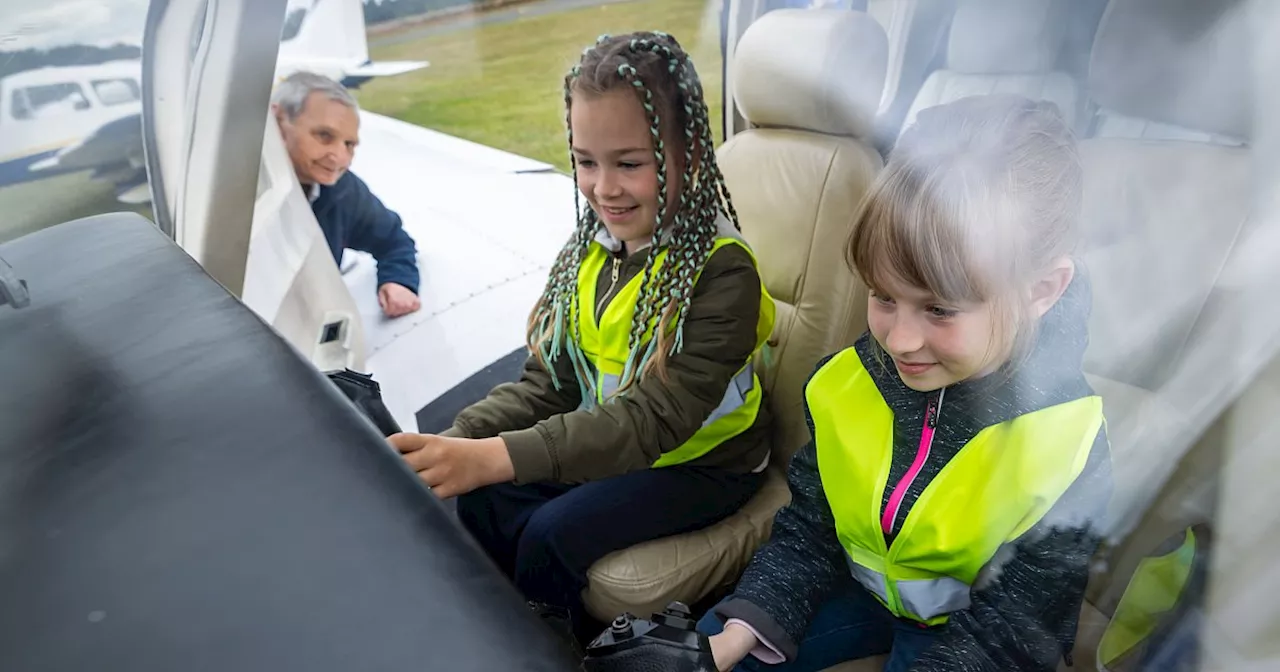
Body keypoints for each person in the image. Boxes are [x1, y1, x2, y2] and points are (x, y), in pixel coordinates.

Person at [696, 95, 1113, 672]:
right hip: (858, 595)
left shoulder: (1065, 445)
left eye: (940, 309)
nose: (899, 340)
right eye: (883, 297)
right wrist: (737, 632)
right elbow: (812, 531)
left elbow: (1016, 630)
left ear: (1041, 290)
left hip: (975, 635)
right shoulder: (846, 385)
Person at [389, 31, 775, 646]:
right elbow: (551, 383)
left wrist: (494, 455)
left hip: (705, 463)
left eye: (629, 163)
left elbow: (655, 420)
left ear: (691, 158)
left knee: (551, 534)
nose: (603, 188)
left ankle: (551, 647)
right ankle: (499, 625)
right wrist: (457, 438)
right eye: (585, 161)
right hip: (617, 441)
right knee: (485, 500)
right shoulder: (589, 253)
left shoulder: (723, 272)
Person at [271, 71, 421, 318]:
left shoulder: (341, 190)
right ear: (277, 121)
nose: (339, 158)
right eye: (324, 136)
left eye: (349, 144)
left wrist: (398, 280)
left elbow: (393, 240)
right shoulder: (230, 198)